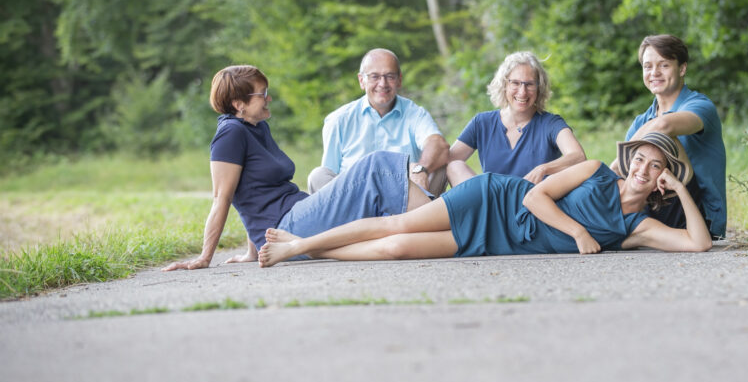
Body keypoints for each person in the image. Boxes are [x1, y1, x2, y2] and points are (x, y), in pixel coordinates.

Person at [257, 131, 712, 267]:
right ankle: (299, 246)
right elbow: (536, 199)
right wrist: (578, 232)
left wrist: (680, 190)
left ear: (662, 178)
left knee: (396, 250)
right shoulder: (595, 172)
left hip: (495, 242)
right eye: (640, 158)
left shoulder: (636, 228)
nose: (643, 168)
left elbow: (698, 243)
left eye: (656, 166)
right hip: (495, 200)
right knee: (397, 225)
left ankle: (307, 248)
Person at [162, 65, 433, 271]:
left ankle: (438, 222)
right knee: (377, 165)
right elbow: (223, 198)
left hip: (299, 212)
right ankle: (441, 215)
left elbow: (254, 191)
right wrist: (204, 257)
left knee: (377, 193)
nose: (268, 98)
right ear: (238, 104)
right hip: (286, 226)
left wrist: (252, 251)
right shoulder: (230, 134)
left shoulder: (257, 127)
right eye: (262, 94)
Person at [616, 34, 727, 239]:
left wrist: (621, 158)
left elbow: (664, 125)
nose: (654, 73)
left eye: (664, 65)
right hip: (652, 207)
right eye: (648, 66)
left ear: (682, 68)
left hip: (698, 215)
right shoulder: (642, 121)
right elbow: (623, 171)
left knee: (662, 140)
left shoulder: (700, 106)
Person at [308, 48, 450, 196]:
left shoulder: (415, 114)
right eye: (374, 77)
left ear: (399, 80)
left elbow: (438, 144)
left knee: (440, 165)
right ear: (361, 81)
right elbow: (330, 174)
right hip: (354, 201)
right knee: (318, 176)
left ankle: (424, 209)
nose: (383, 83)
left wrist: (420, 169)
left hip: (405, 201)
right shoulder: (338, 120)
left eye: (390, 76)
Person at [447, 51, 586, 187]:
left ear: (539, 88)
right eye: (515, 83)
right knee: (454, 166)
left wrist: (543, 169)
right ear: (504, 84)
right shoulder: (482, 123)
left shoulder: (551, 123)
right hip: (491, 199)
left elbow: (578, 156)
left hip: (532, 199)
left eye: (529, 84)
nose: (522, 92)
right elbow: (448, 162)